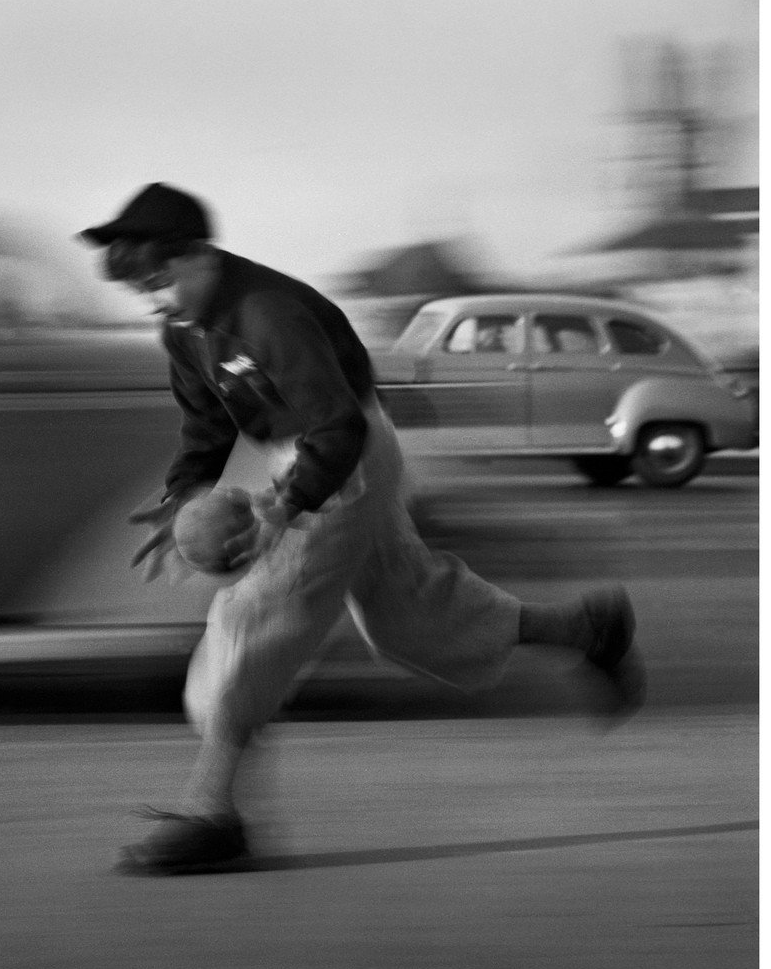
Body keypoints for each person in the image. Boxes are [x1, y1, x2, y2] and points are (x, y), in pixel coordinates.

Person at [77, 182, 646, 876]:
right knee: (410, 620)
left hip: (342, 456)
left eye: (161, 279)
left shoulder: (267, 313)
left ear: (198, 255)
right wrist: (180, 497)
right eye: (142, 290)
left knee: (256, 615)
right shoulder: (183, 331)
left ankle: (213, 811)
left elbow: (337, 427)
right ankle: (586, 629)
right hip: (312, 455)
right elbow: (205, 423)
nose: (155, 299)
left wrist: (284, 509)